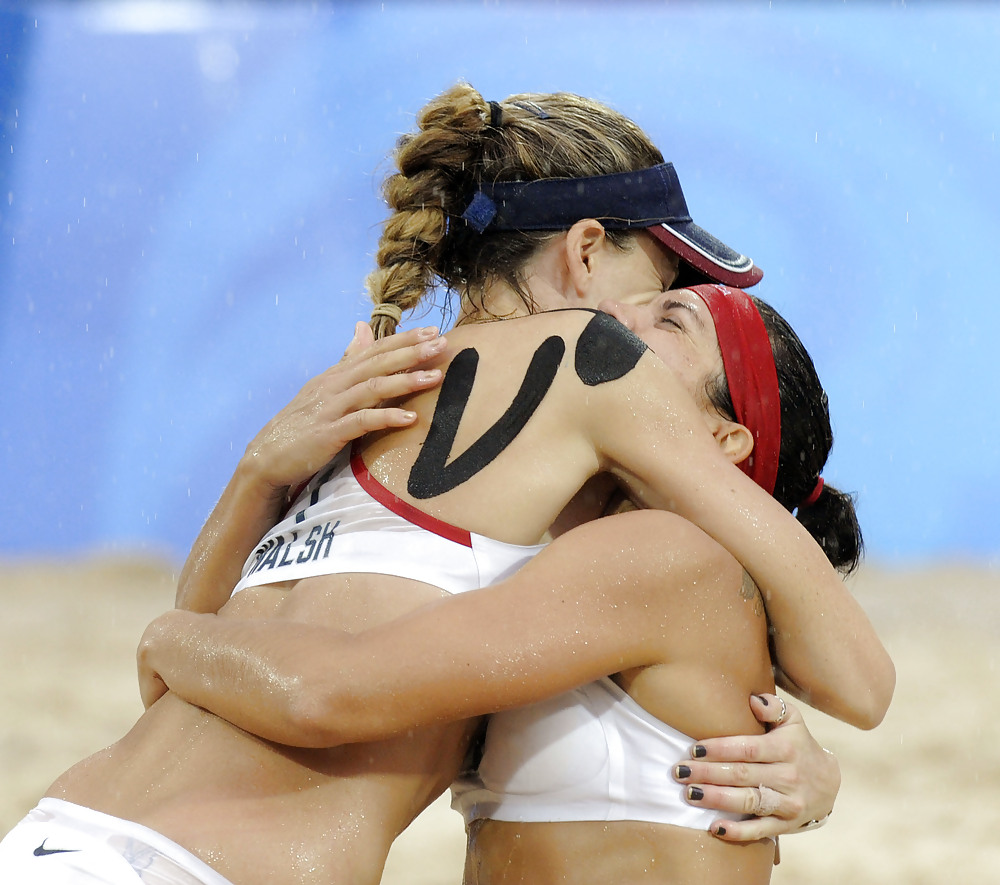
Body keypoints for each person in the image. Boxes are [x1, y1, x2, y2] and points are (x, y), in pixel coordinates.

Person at [0, 84, 892, 885]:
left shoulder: (366, 380)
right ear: (586, 254)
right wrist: (802, 760)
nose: (631, 321)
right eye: (654, 285)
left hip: (55, 832)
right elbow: (858, 678)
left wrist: (251, 480)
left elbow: (207, 660)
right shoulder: (593, 361)